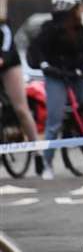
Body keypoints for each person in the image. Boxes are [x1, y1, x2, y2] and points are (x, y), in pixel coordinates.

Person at [27, 0, 83, 179]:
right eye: (78, 7)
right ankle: (47, 165)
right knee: (54, 123)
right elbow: (37, 52)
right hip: (57, 77)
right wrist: (46, 66)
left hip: (77, 76)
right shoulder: (48, 30)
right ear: (69, 9)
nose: (82, 10)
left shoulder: (79, 29)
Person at [0, 17, 43, 175]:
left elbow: (6, 36)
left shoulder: (3, 25)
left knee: (21, 109)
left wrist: (3, 56)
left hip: (8, 62)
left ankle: (37, 152)